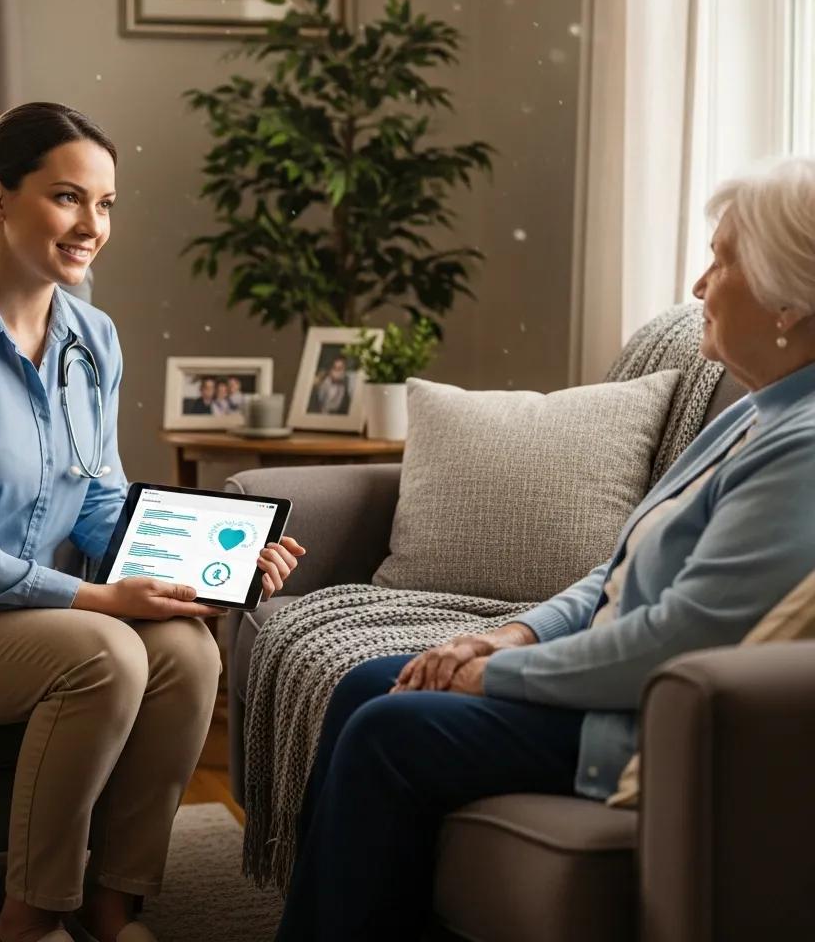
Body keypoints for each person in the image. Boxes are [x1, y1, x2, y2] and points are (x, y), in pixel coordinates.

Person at [274, 156, 815, 941]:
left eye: (722, 261)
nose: (699, 287)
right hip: (603, 678)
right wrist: (512, 632)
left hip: (638, 717)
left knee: (390, 733)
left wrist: (496, 673)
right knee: (366, 685)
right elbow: (616, 570)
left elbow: (686, 640)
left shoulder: (802, 447)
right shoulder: (753, 412)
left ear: (788, 302)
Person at [0, 102, 306, 942]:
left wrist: (215, 561)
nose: (92, 226)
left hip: (26, 612)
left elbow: (102, 503)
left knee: (190, 650)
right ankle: (28, 922)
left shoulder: (93, 337)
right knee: (108, 652)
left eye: (106, 204)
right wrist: (105, 603)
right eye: (68, 198)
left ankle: (114, 909)